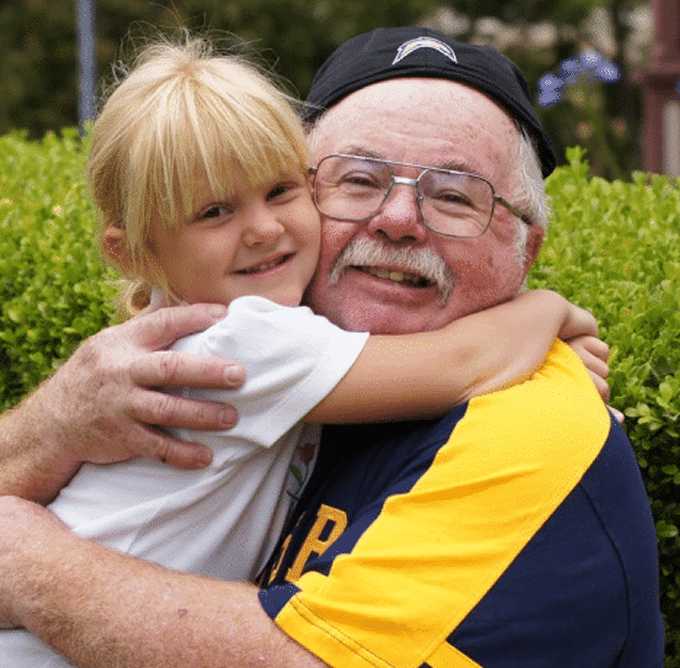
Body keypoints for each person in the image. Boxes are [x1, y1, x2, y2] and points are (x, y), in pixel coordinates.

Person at [0, 26, 664, 668]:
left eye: (457, 196)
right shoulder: (249, 345)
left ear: (527, 248)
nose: (398, 220)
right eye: (358, 181)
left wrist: (28, 561)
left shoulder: (530, 428)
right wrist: (548, 312)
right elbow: (466, 361)